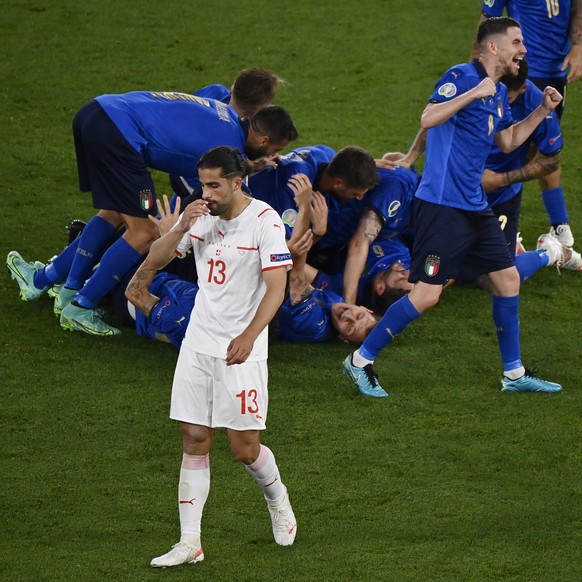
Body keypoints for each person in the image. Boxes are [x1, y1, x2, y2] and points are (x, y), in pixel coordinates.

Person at [343, 17, 564, 397]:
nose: (522, 50)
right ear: (493, 47)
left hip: (474, 208)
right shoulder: (462, 76)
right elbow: (427, 117)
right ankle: (359, 361)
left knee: (508, 279)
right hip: (442, 209)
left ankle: (513, 374)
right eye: (516, 42)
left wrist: (543, 109)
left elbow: (509, 140)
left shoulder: (495, 92)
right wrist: (471, 93)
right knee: (427, 294)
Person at [6, 94, 298, 336]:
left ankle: (44, 280)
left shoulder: (225, 113)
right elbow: (226, 200)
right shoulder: (226, 151)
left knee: (115, 213)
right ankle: (79, 306)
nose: (271, 153)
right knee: (145, 230)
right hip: (120, 142)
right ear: (263, 140)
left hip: (97, 115)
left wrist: (251, 166)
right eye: (274, 147)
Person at [136, 146, 296, 568]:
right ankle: (191, 542)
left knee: (244, 449)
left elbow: (276, 289)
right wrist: (178, 229)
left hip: (243, 351)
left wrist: (248, 336)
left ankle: (277, 499)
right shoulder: (199, 216)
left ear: (236, 182)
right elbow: (154, 260)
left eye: (213, 185)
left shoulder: (265, 222)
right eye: (202, 183)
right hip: (199, 343)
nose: (205, 193)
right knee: (194, 439)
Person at [472, 0, 582, 247]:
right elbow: (488, 20)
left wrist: (578, 45)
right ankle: (506, 221)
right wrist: (476, 68)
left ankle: (558, 226)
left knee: (542, 147)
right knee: (502, 144)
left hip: (555, 70)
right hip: (515, 69)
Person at [275, 175, 378, 346]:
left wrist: (305, 208)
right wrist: (316, 233)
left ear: (344, 339)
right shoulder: (336, 302)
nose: (348, 316)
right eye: (358, 315)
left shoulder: (313, 324)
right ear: (365, 308)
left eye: (350, 328)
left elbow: (296, 269)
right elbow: (302, 268)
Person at [249, 145, 379, 273]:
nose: (359, 198)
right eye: (355, 194)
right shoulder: (296, 185)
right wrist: (317, 233)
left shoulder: (326, 154)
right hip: (245, 233)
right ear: (338, 183)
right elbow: (286, 254)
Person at [170, 67, 285, 199]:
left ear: (234, 85)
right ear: (258, 110)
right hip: (194, 179)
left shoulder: (215, 91)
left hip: (175, 158)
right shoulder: (235, 138)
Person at [342, 166, 419, 304]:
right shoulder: (398, 186)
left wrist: (349, 306)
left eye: (402, 278)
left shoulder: (355, 282)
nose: (406, 272)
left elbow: (359, 242)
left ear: (380, 287)